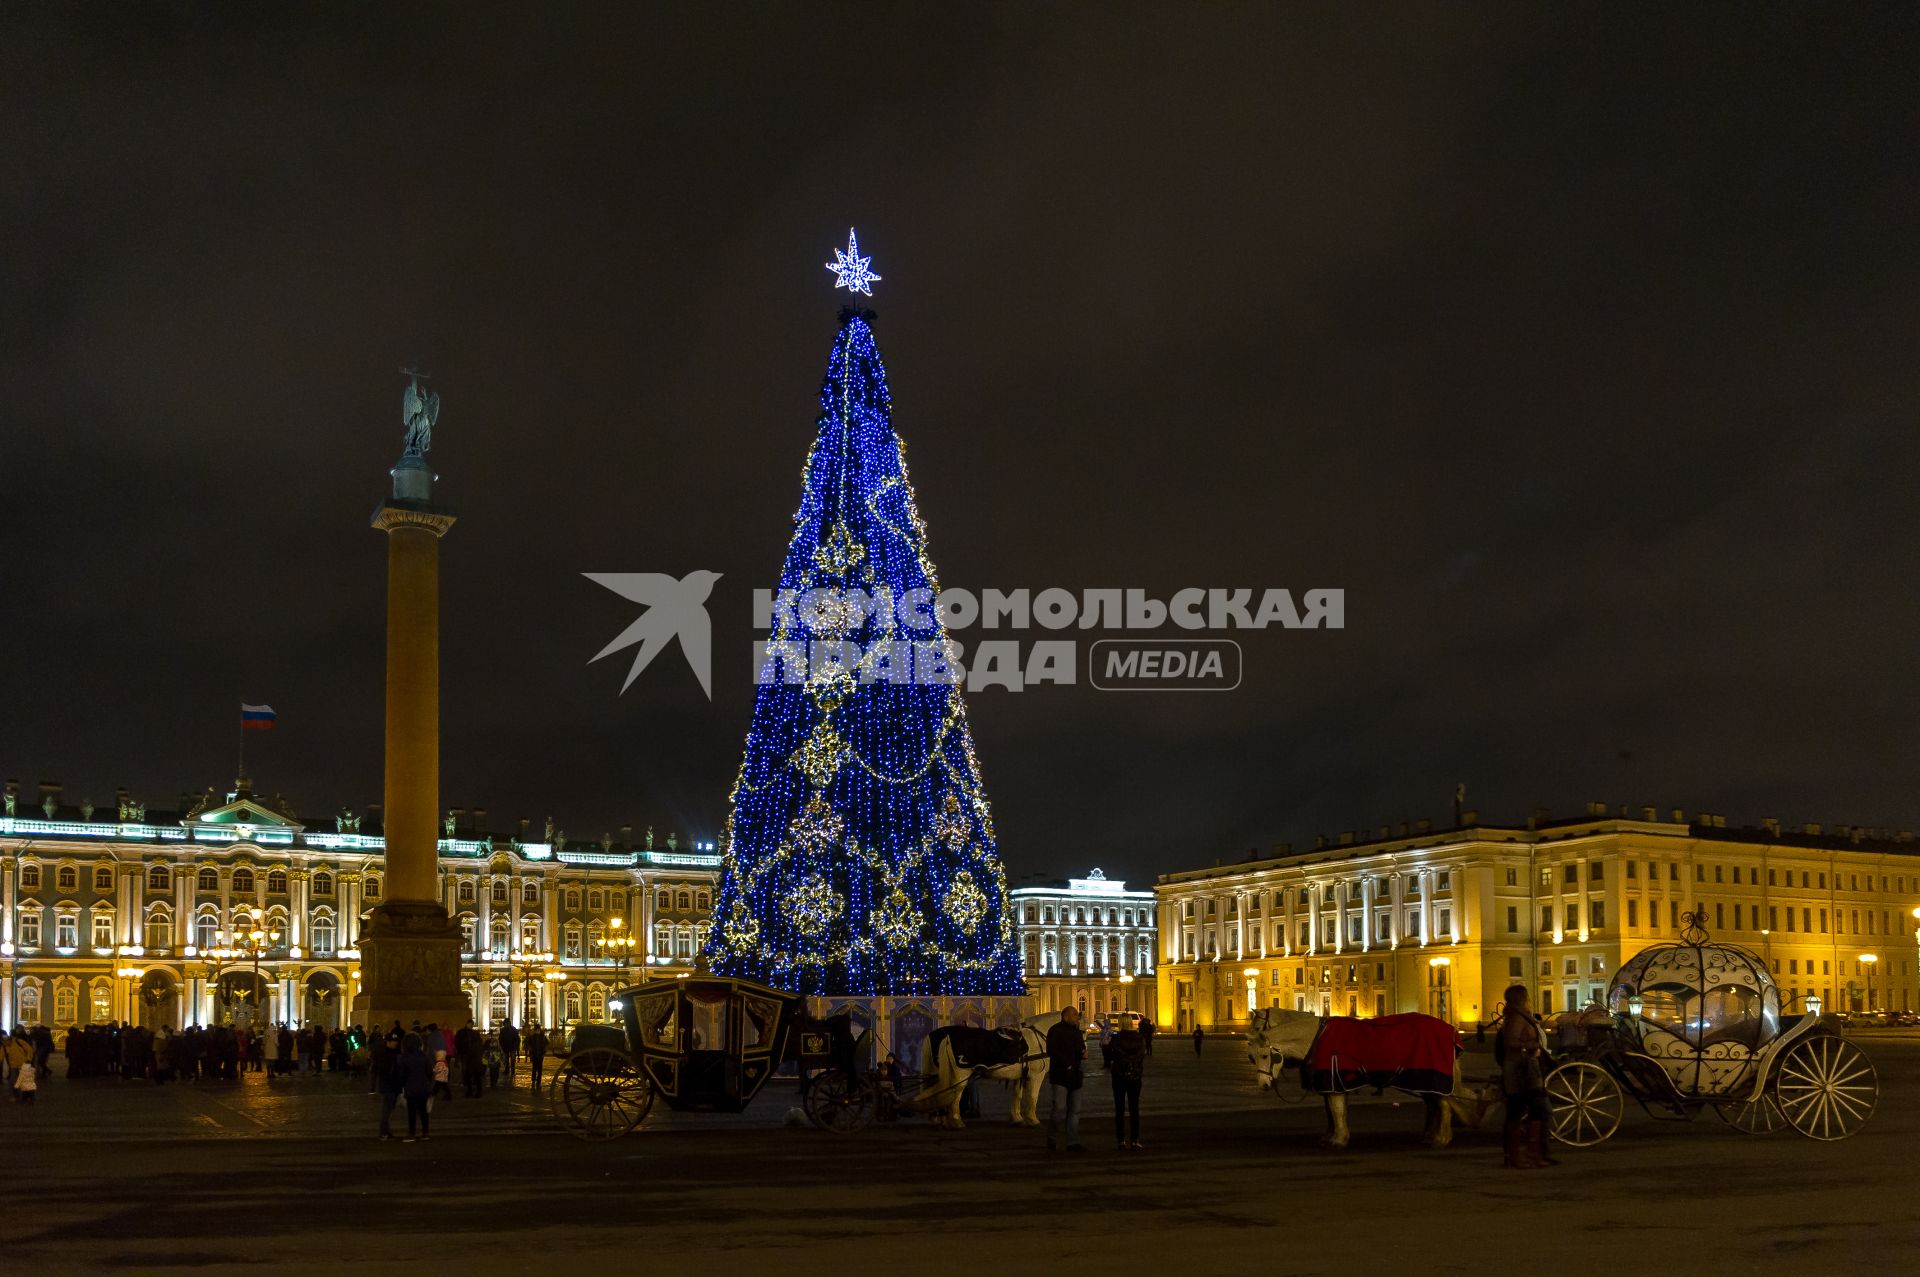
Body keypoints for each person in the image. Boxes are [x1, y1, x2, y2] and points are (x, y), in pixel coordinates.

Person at [1496, 985, 1555, 1170]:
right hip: (1522, 1069)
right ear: (1522, 998)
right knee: (1532, 1109)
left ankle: (1523, 1155)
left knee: (1524, 1110)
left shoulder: (1516, 1016)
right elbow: (1511, 1042)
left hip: (1520, 1068)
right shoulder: (1517, 1018)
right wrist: (1531, 1045)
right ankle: (1524, 1155)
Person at [1103, 1013, 1147, 1150]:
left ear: (1121, 1023)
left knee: (1119, 1109)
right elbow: (1141, 1056)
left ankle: (1121, 1140)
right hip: (1135, 1076)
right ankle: (1135, 1140)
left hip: (1119, 1076)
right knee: (1134, 1109)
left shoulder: (1116, 1039)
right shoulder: (1139, 1038)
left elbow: (1109, 1057)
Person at [1045, 1005, 1086, 1152]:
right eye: (1075, 1015)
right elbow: (1052, 1051)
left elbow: (1081, 1048)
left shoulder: (1076, 1032)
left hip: (1075, 1076)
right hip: (1060, 1076)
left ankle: (1072, 1142)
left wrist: (1083, 1053)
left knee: (1075, 1110)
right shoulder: (1055, 1031)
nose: (1077, 1017)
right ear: (1066, 1016)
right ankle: (1052, 1136)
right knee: (1059, 1108)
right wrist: (1066, 1064)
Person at [395, 1032, 435, 1141]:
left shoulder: (404, 1058)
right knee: (423, 1110)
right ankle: (425, 1132)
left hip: (410, 1086)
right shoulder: (424, 1056)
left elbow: (401, 1074)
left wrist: (402, 1085)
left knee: (411, 1111)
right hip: (423, 1086)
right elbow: (430, 1072)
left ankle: (412, 1133)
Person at [373, 1030, 404, 1140]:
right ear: (388, 1041)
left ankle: (386, 1130)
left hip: (395, 1084)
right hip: (388, 1084)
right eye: (393, 1041)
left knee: (390, 1109)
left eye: (396, 1041)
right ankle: (383, 1132)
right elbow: (381, 1070)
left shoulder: (395, 1052)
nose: (395, 1043)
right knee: (387, 1109)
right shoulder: (383, 1053)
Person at [875, 1052, 901, 1123]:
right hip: (882, 1088)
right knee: (882, 1100)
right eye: (888, 1058)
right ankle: (881, 1115)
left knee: (893, 1100)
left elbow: (897, 1078)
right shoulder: (883, 1066)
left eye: (891, 1059)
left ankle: (891, 1116)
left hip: (892, 1088)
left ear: (893, 1060)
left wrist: (888, 1078)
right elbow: (878, 1073)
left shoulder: (896, 1068)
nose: (889, 1060)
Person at [526, 1024, 549, 1089]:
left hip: (540, 1055)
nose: (537, 1031)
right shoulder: (532, 1037)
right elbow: (529, 1044)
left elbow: (547, 1044)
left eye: (538, 1029)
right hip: (534, 1055)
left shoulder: (543, 1037)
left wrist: (544, 1052)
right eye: (536, 1030)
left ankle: (538, 1082)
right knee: (534, 1068)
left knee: (539, 1069)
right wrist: (531, 1051)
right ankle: (533, 1081)